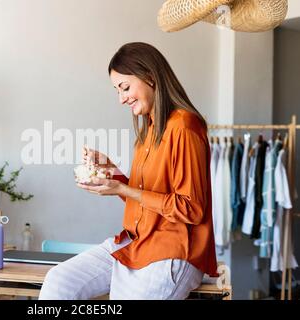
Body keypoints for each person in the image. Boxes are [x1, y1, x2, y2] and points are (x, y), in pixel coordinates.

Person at [39, 42, 217, 300]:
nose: (121, 98)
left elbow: (191, 208)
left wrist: (124, 188)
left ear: (150, 77)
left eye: (125, 87)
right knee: (59, 281)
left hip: (172, 250)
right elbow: (144, 196)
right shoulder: (148, 131)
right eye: (117, 90)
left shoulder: (184, 126)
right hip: (135, 242)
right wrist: (113, 174)